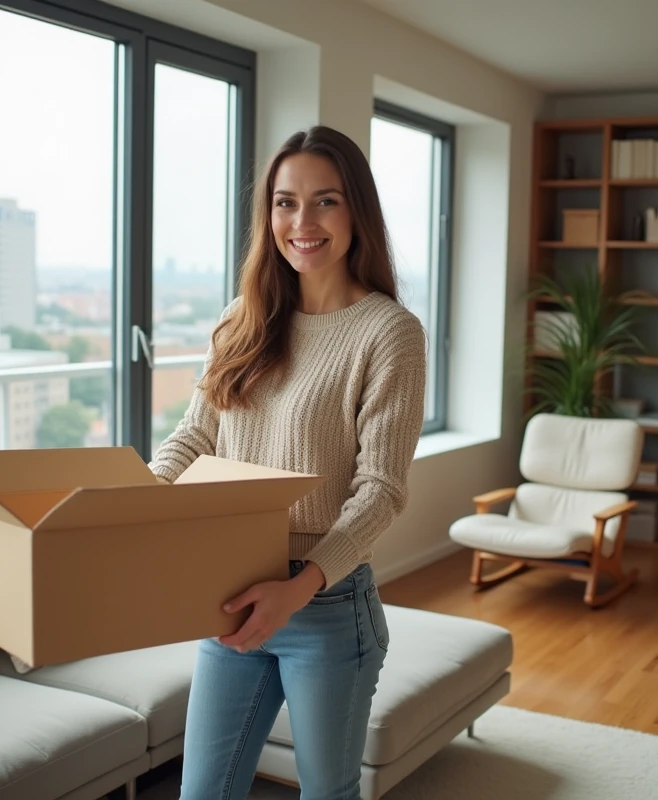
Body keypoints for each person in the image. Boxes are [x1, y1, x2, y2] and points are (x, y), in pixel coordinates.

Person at [149, 124, 428, 799]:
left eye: (325, 201)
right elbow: (195, 437)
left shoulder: (389, 332)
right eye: (285, 202)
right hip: (230, 591)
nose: (302, 222)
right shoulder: (241, 317)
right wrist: (136, 504)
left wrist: (297, 590)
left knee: (327, 793)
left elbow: (380, 490)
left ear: (357, 212)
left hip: (326, 606)